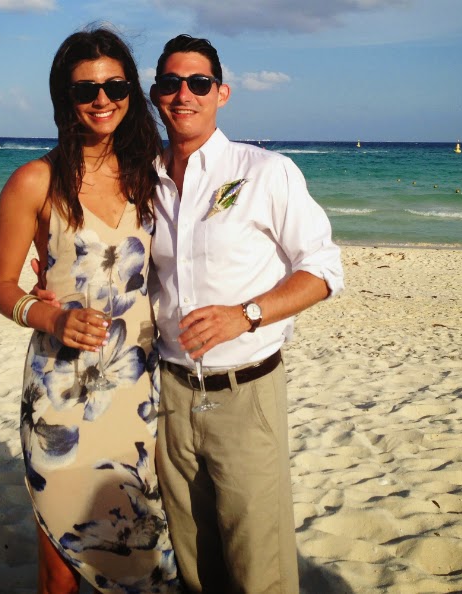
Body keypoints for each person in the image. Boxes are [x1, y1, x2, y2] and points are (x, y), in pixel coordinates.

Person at [0, 28, 181, 593]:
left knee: (141, 545)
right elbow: (0, 287)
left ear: (131, 92)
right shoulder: (34, 181)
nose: (102, 100)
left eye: (115, 87)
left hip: (137, 390)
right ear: (64, 98)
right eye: (85, 90)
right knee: (60, 560)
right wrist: (50, 317)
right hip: (62, 391)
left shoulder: (154, 175)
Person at [148, 34, 345, 593]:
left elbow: (324, 271)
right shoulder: (145, 179)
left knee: (259, 565)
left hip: (246, 393)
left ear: (222, 93)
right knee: (195, 563)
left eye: (199, 83)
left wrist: (247, 314)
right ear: (156, 94)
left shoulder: (265, 171)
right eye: (171, 83)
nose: (184, 94)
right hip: (169, 395)